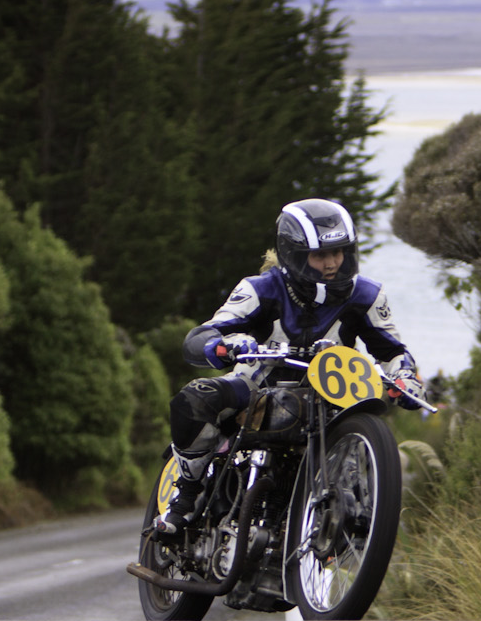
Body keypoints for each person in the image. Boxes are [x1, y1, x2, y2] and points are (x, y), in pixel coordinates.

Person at [153, 198, 424, 537]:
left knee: (366, 445)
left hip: (331, 401)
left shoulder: (367, 295)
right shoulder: (259, 288)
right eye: (320, 255)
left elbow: (393, 350)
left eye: (338, 252)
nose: (332, 263)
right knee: (195, 397)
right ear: (294, 254)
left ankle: (350, 514)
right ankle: (189, 491)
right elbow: (205, 334)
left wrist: (405, 377)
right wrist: (225, 344)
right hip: (256, 388)